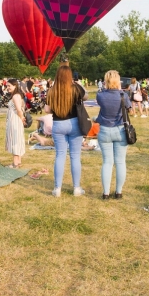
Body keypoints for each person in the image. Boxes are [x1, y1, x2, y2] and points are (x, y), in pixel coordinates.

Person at [48, 64, 86, 197]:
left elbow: (47, 109)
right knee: (75, 156)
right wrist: (78, 84)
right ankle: (76, 188)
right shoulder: (76, 89)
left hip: (58, 124)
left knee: (60, 155)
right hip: (75, 123)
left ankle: (57, 188)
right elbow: (85, 96)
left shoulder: (52, 90)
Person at [96, 70, 129, 200]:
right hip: (120, 130)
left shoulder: (100, 95)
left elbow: (101, 103)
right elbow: (129, 108)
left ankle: (106, 193)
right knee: (120, 162)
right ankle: (119, 192)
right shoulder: (123, 95)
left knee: (107, 162)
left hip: (104, 130)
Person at [4, 79, 26, 168]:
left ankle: (15, 163)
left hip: (15, 121)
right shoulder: (18, 95)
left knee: (15, 140)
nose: (7, 87)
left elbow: (18, 109)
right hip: (16, 120)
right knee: (18, 140)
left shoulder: (15, 96)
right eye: (7, 86)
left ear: (15, 86)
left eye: (9, 86)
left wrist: (21, 118)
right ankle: (18, 161)